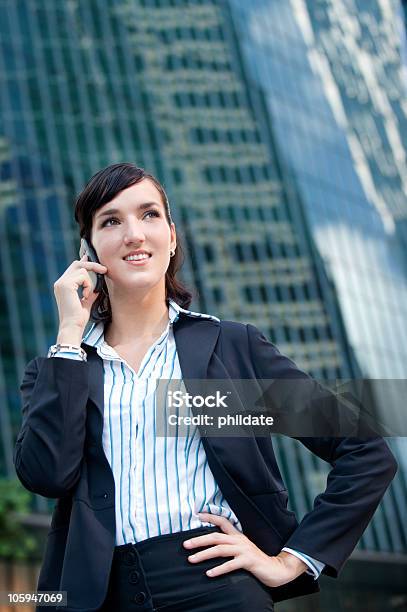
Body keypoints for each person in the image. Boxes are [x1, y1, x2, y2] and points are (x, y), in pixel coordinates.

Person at [14, 163, 397, 612]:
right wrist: (69, 334)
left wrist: (291, 560)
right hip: (97, 597)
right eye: (111, 221)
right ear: (88, 249)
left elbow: (366, 451)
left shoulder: (233, 351)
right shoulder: (58, 368)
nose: (134, 234)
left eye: (150, 215)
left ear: (172, 237)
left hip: (216, 589)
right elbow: (46, 475)